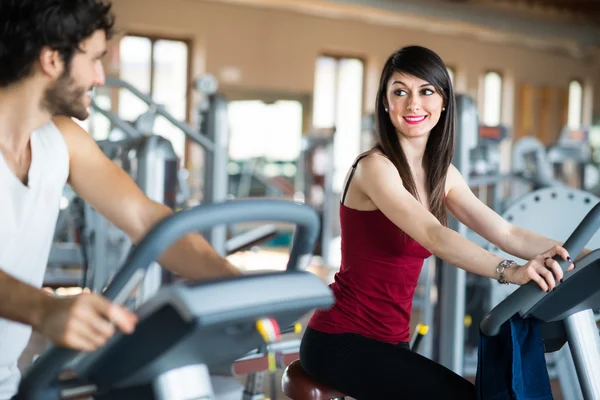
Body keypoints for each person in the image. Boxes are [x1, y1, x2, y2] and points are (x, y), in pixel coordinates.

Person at [299, 45, 587, 399]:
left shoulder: (441, 174)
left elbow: (505, 231)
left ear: (444, 101)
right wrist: (512, 271)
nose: (413, 104)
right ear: (386, 102)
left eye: (426, 91)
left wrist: (585, 258)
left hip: (391, 340)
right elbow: (434, 235)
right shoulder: (375, 168)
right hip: (341, 339)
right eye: (400, 92)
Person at [0, 0, 240, 398]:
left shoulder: (61, 140)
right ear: (51, 60)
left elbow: (149, 222)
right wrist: (43, 308)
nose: (100, 76)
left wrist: (236, 283)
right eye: (94, 59)